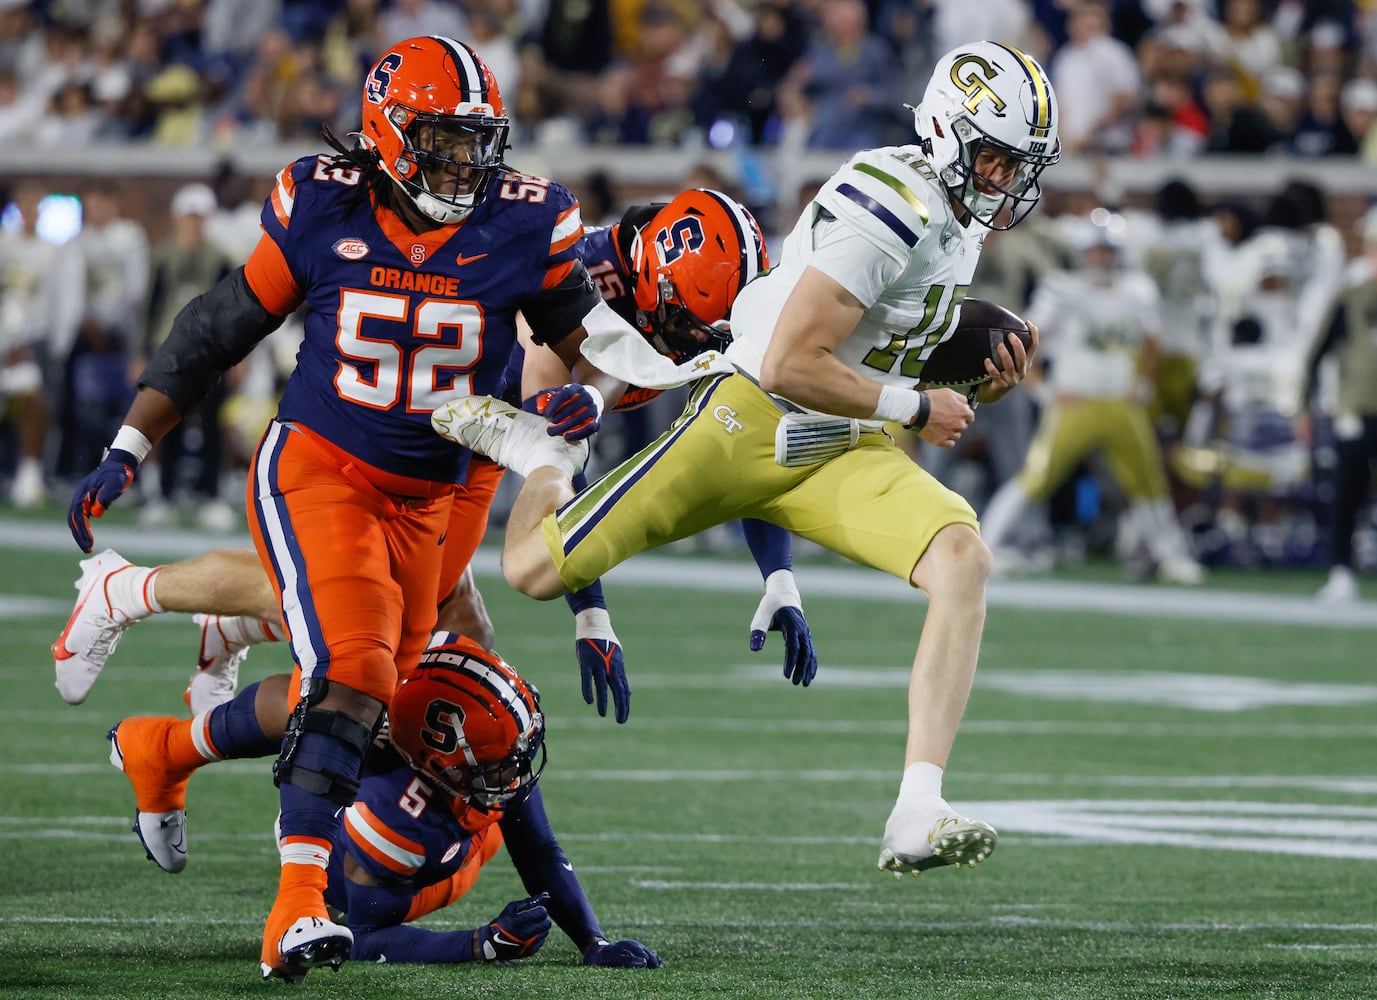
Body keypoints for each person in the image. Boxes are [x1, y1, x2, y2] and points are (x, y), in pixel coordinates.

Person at [65, 36, 630, 983]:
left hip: (436, 498)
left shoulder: (528, 221)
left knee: (385, 694)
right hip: (321, 467)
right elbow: (218, 329)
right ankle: (293, 915)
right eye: (445, 142)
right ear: (391, 134)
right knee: (358, 670)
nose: (467, 163)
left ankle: (163, 746)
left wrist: (593, 394)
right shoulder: (324, 203)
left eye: (477, 142)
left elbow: (597, 341)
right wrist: (130, 445)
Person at [430, 40, 1056, 877]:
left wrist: (977, 379)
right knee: (534, 571)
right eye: (990, 156)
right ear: (946, 131)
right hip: (748, 421)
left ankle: (916, 806)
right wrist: (916, 406)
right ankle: (526, 450)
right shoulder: (892, 202)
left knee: (962, 559)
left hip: (839, 438)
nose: (1000, 179)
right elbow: (789, 364)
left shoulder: (952, 215)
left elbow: (882, 358)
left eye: (1015, 164)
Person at [53, 189, 814, 717]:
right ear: (652, 277)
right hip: (410, 425)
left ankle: (227, 629)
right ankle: (131, 594)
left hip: (477, 443)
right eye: (691, 323)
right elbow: (557, 456)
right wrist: (591, 615)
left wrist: (779, 576)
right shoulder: (574, 275)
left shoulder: (674, 302)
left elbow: (739, 435)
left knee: (426, 632)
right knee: (389, 627)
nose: (697, 343)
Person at [107, 633, 659, 969]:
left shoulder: (440, 698)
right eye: (493, 762)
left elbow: (537, 845)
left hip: (410, 743)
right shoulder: (393, 814)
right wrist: (478, 945)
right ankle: (214, 658)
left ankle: (172, 739)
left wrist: (593, 941)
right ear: (435, 761)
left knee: (336, 674)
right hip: (379, 869)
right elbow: (369, 934)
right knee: (319, 695)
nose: (513, 769)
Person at [979, 213, 1204, 584]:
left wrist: (1143, 386)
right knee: (1035, 477)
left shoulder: (1137, 290)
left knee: (1149, 482)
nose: (1101, 258)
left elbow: (1155, 344)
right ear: (1084, 253)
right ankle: (986, 545)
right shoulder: (1063, 287)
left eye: (1108, 251)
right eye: (1096, 251)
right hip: (1076, 401)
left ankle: (1170, 556)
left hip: (1120, 402)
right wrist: (1044, 389)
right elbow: (1027, 339)